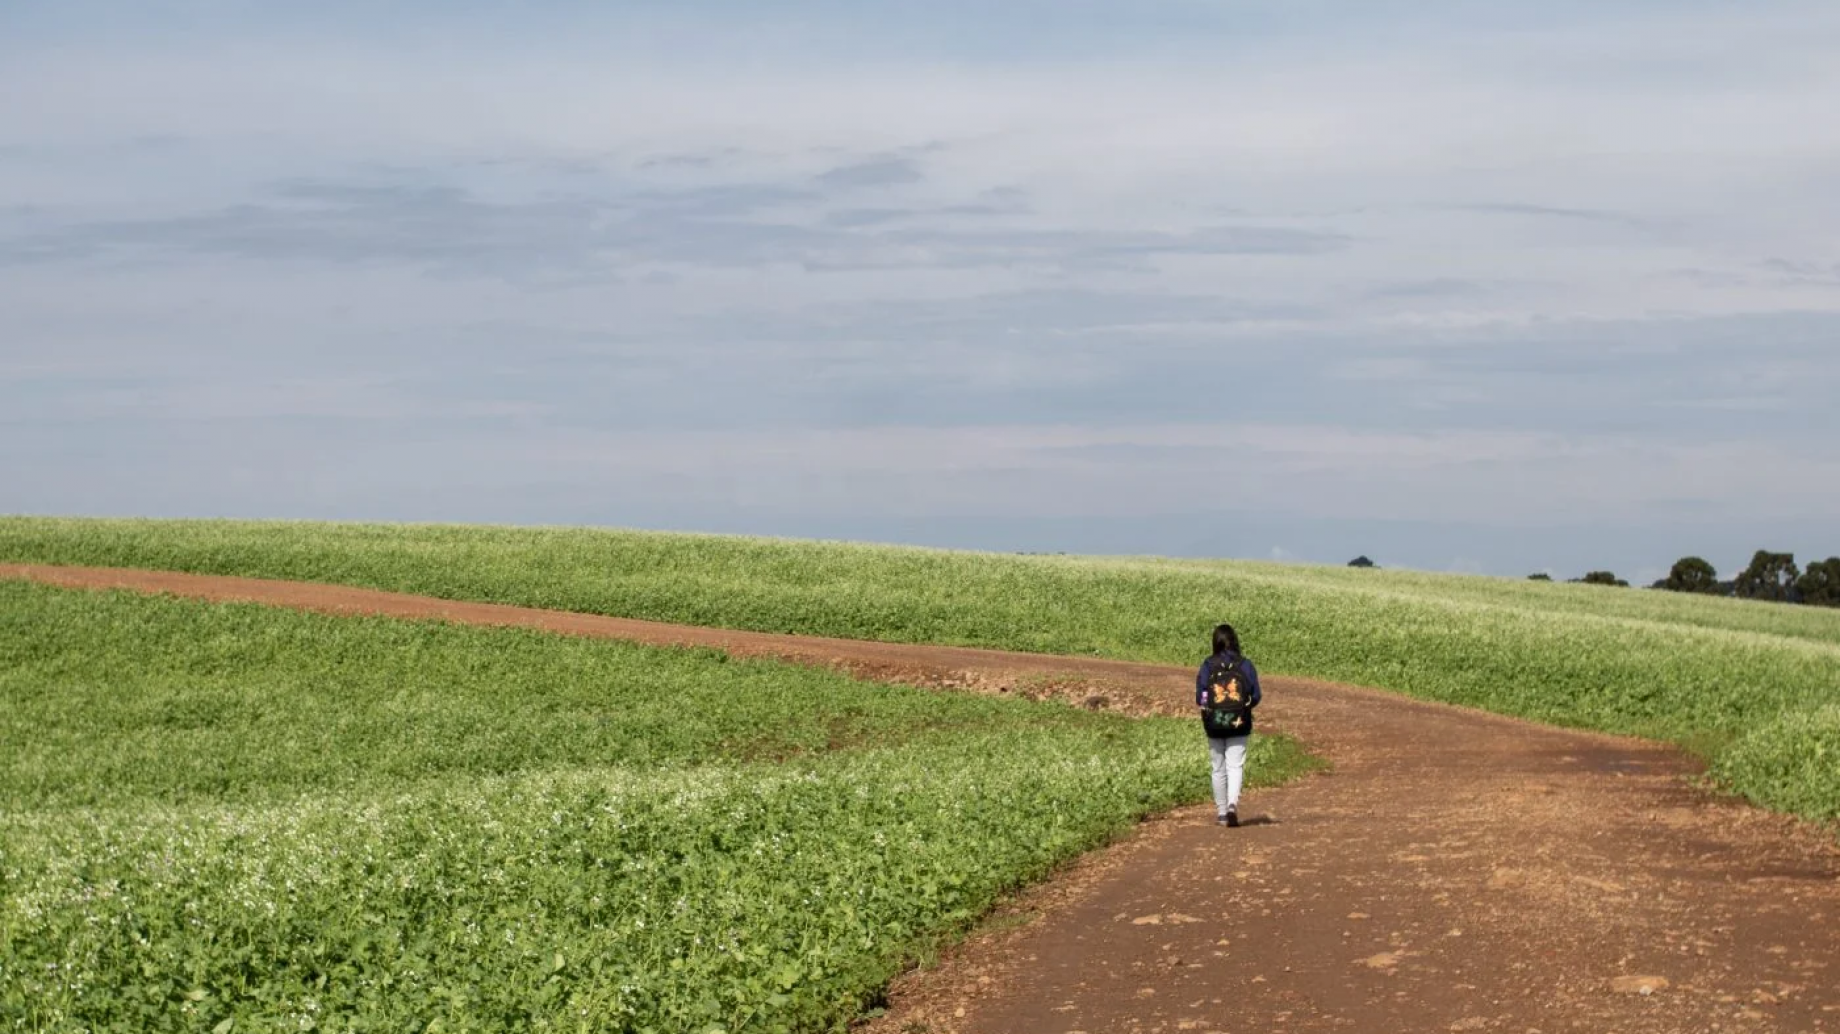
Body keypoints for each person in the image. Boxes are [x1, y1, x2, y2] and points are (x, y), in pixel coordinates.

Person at [1196, 622, 1262, 827]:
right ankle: (1233, 804)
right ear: (1235, 641)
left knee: (1218, 768)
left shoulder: (1208, 665)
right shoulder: (1245, 665)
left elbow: (1201, 697)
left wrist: (1210, 708)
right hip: (1239, 722)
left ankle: (1222, 812)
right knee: (1235, 766)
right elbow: (1256, 695)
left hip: (1213, 723)